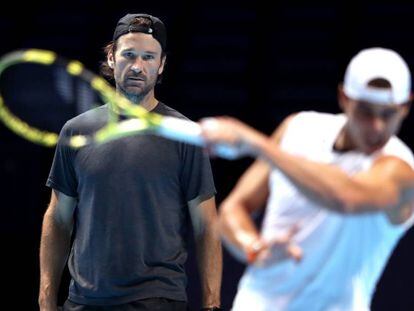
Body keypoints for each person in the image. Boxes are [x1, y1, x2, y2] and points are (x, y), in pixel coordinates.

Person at [200, 47, 414, 310]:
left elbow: (345, 198)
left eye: (388, 113)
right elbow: (233, 209)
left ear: (405, 107)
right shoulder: (298, 128)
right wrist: (255, 249)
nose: (376, 126)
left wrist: (255, 143)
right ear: (344, 98)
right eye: (365, 111)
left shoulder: (401, 169)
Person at [39, 13, 222, 311]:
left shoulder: (185, 135)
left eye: (149, 57)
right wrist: (46, 298)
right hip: (83, 301)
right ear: (112, 58)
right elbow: (58, 218)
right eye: (129, 55)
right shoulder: (76, 131)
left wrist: (212, 303)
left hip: (158, 300)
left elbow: (207, 225)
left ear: (161, 64)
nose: (138, 66)